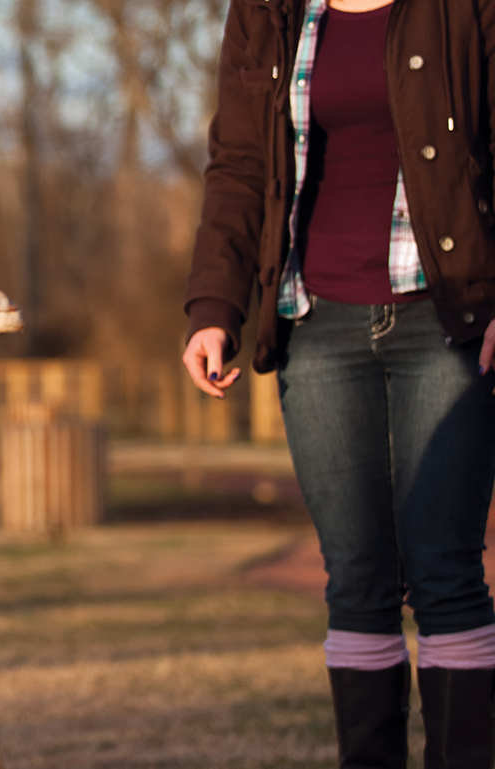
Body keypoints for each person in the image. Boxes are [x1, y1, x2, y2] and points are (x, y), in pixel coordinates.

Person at [183, 0, 495, 765]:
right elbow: (239, 165)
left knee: (445, 569)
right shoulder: (267, 13)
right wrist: (214, 306)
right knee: (356, 579)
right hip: (316, 324)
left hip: (445, 316)